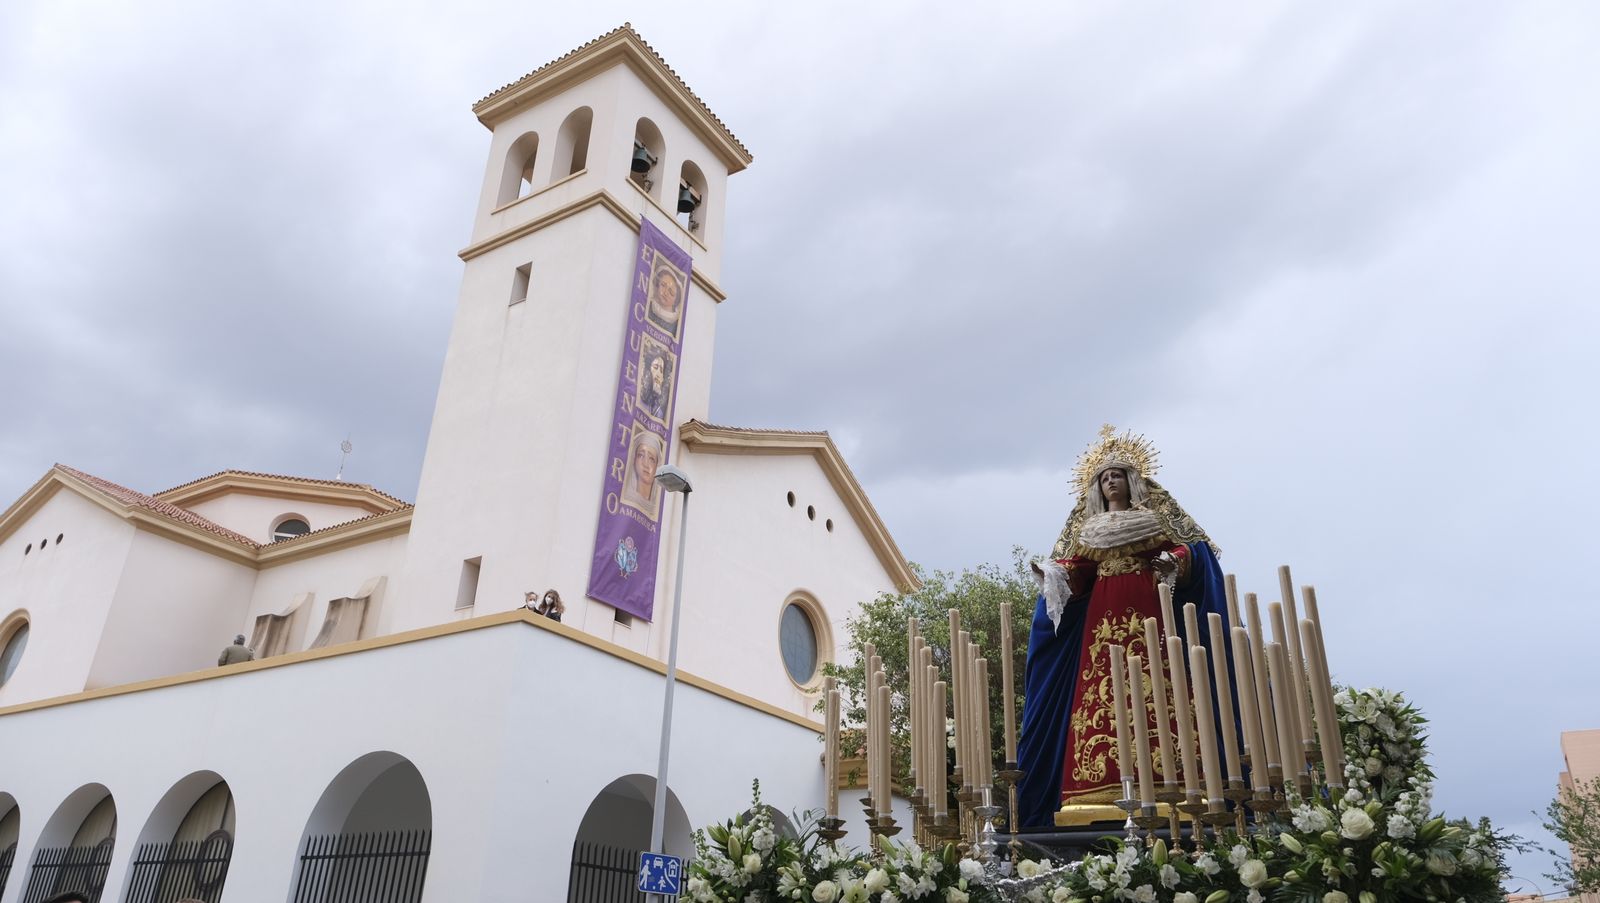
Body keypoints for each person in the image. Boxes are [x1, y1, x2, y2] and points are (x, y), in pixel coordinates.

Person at [1015, 426, 1229, 828]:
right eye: (1104, 477)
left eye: (1117, 475)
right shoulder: (1088, 530)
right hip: (1102, 620)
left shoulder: (1151, 519)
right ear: (1096, 486)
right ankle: (1094, 790)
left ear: (1132, 481)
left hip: (1149, 609)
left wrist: (1174, 562)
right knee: (1100, 693)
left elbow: (1187, 550)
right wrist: (1054, 575)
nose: (1111, 481)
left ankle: (1177, 783)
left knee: (1162, 688)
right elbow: (1079, 570)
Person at [620, 431, 664, 516]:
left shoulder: (655, 509)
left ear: (657, 466)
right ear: (634, 460)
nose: (646, 464)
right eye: (641, 455)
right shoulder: (627, 497)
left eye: (651, 459)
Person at [646, 262, 684, 337]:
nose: (666, 293)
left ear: (676, 300)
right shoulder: (647, 306)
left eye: (671, 292)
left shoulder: (676, 323)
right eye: (663, 285)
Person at [638, 350, 670, 421]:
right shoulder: (637, 398)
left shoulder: (659, 412)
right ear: (647, 372)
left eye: (661, 371)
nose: (659, 374)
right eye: (655, 367)